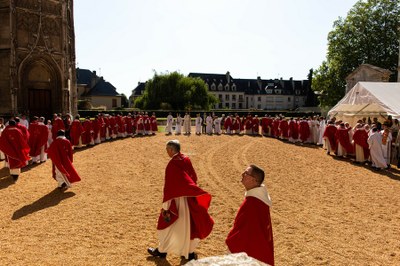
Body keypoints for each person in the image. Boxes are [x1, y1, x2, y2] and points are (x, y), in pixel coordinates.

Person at [148, 140, 214, 261]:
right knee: (188, 227)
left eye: (167, 149)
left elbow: (169, 187)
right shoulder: (186, 159)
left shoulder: (172, 164)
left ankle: (162, 251)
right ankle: (188, 253)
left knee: (167, 227)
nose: (166, 152)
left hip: (176, 202)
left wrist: (166, 206)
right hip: (188, 200)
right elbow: (193, 177)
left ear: (172, 150)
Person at [225, 165, 274, 265]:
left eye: (246, 173)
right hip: (259, 248)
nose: (242, 174)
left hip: (251, 249)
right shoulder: (260, 199)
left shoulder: (251, 203)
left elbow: (242, 231)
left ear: (253, 180)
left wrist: (230, 240)